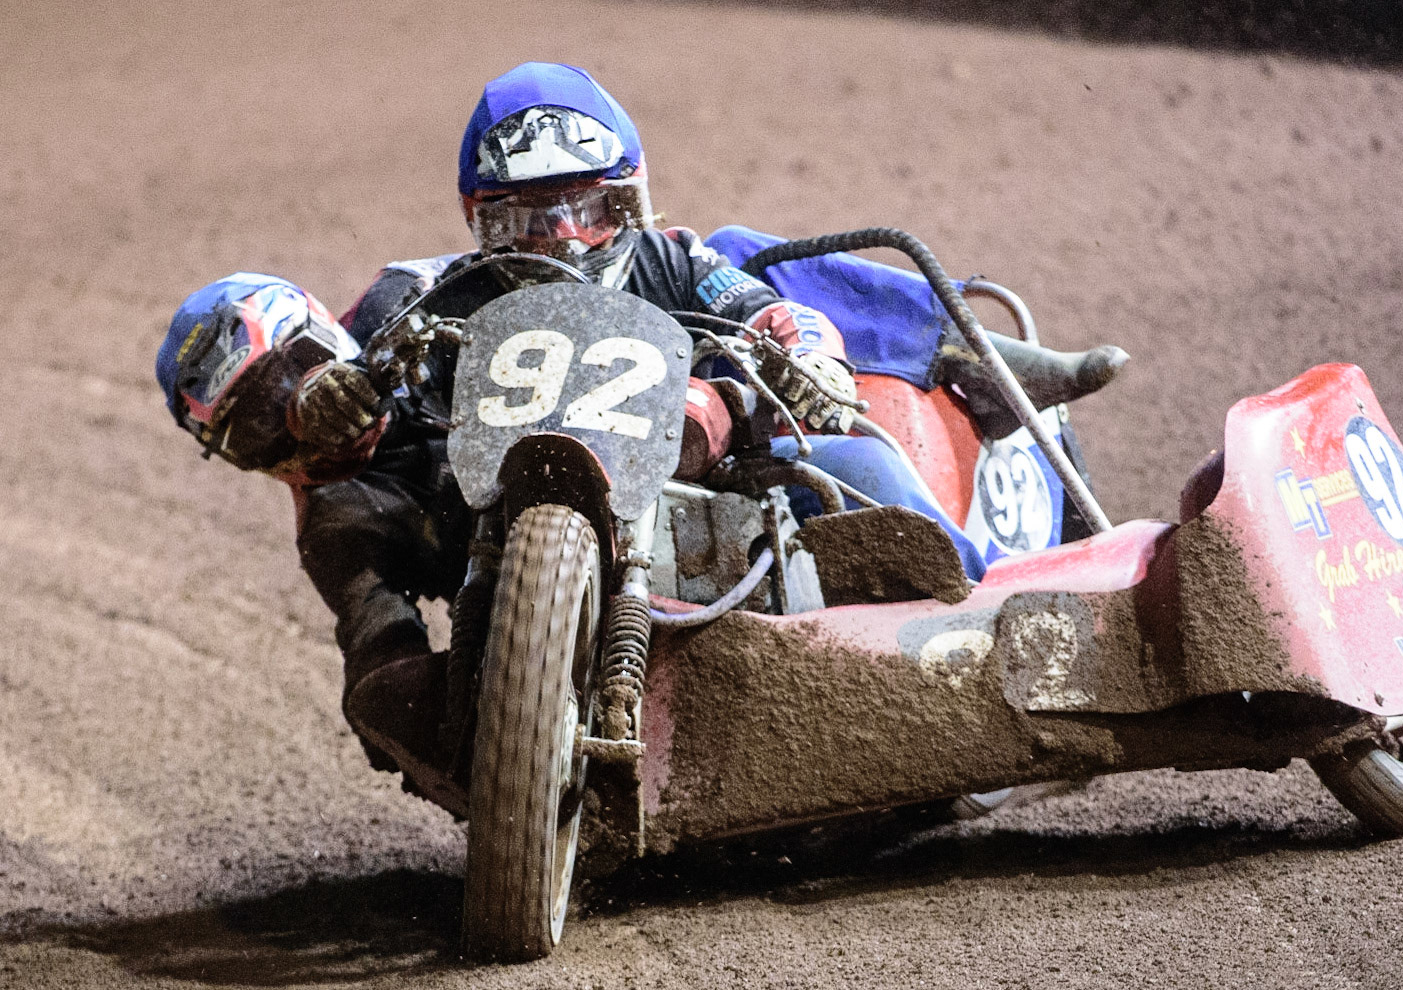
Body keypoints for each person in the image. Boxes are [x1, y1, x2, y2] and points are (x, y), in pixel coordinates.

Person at [156, 63, 994, 773]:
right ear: (479, 220)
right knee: (383, 655)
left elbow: (773, 314)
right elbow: (365, 368)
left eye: (591, 211)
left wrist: (808, 358)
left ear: (631, 200)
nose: (562, 240)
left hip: (708, 458)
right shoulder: (425, 292)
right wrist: (333, 399)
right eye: (527, 220)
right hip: (507, 506)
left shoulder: (674, 258)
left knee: (862, 465)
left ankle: (980, 626)